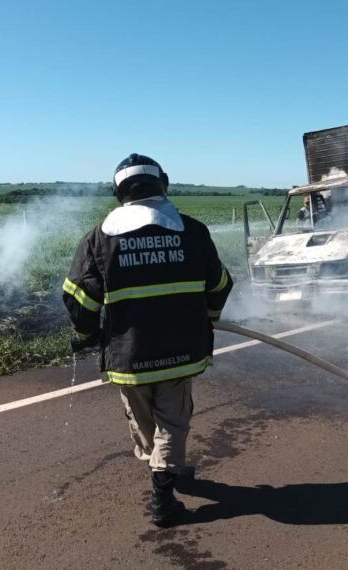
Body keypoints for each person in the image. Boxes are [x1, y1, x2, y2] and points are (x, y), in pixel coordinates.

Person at [62, 153, 233, 527]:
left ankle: (163, 472)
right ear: (164, 184)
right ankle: (163, 493)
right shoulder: (192, 231)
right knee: (172, 422)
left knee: (144, 425)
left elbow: (78, 299)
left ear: (117, 192)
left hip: (128, 355)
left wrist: (86, 335)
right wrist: (207, 319)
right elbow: (220, 285)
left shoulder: (97, 239)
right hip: (181, 351)